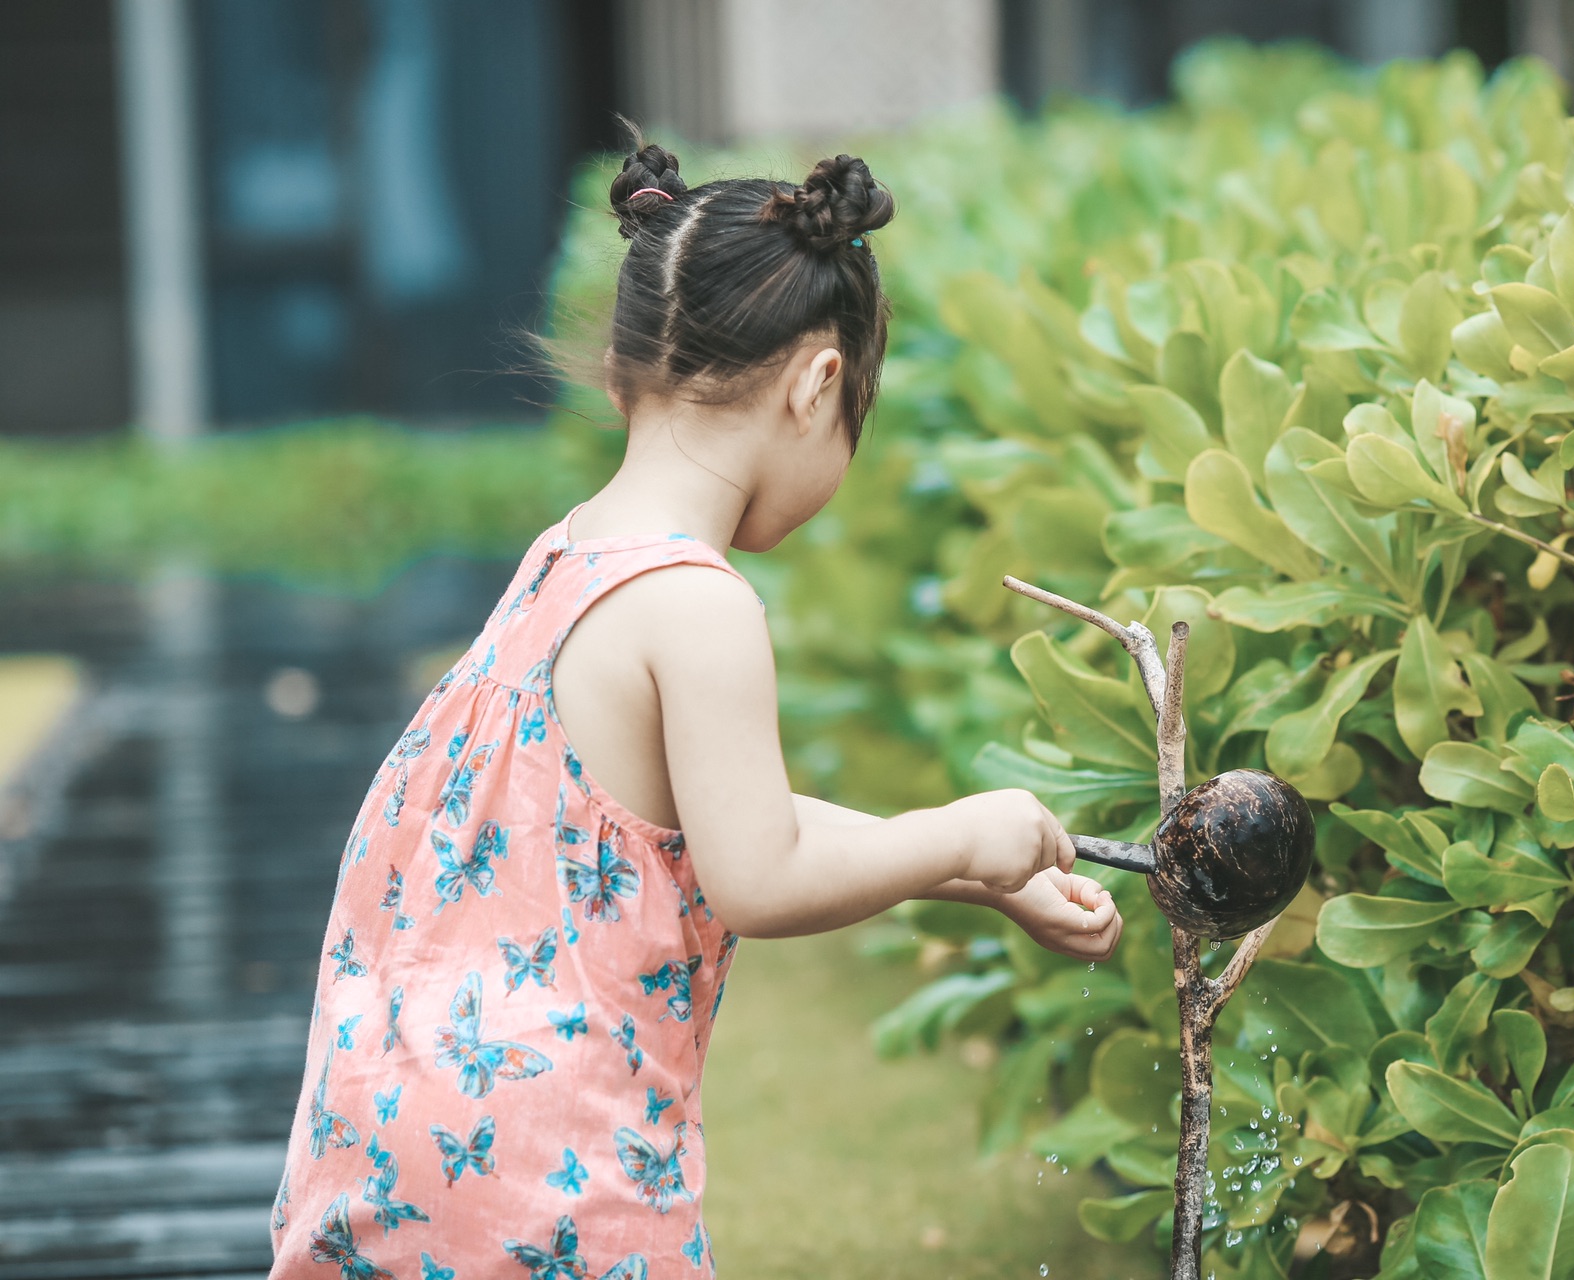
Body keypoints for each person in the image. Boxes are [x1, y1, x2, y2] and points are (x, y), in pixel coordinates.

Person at [269, 134, 1123, 1279]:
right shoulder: (701, 606)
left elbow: (705, 821)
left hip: (387, 1132)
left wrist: (979, 874)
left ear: (627, 367)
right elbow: (754, 874)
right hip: (550, 1165)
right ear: (819, 385)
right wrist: (964, 828)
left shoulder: (568, 555)